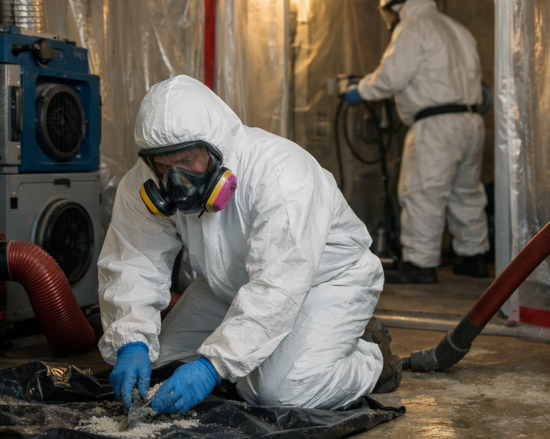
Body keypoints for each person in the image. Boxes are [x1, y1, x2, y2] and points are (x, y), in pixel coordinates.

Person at [99, 75, 401, 414]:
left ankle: (372, 356)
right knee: (158, 365)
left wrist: (213, 366)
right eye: (165, 165)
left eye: (187, 161)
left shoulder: (281, 174)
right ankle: (275, 352)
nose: (176, 180)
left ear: (217, 148)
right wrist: (132, 340)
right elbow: (134, 259)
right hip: (229, 285)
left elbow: (278, 286)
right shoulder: (143, 182)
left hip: (325, 283)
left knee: (279, 392)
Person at [344, 0, 490, 284]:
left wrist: (361, 89)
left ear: (398, 4)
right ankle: (474, 257)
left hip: (436, 124)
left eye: (388, 14)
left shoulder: (413, 28)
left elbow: (391, 77)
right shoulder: (458, 29)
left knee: (423, 192)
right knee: (466, 192)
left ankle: (419, 264)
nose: (389, 21)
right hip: (471, 122)